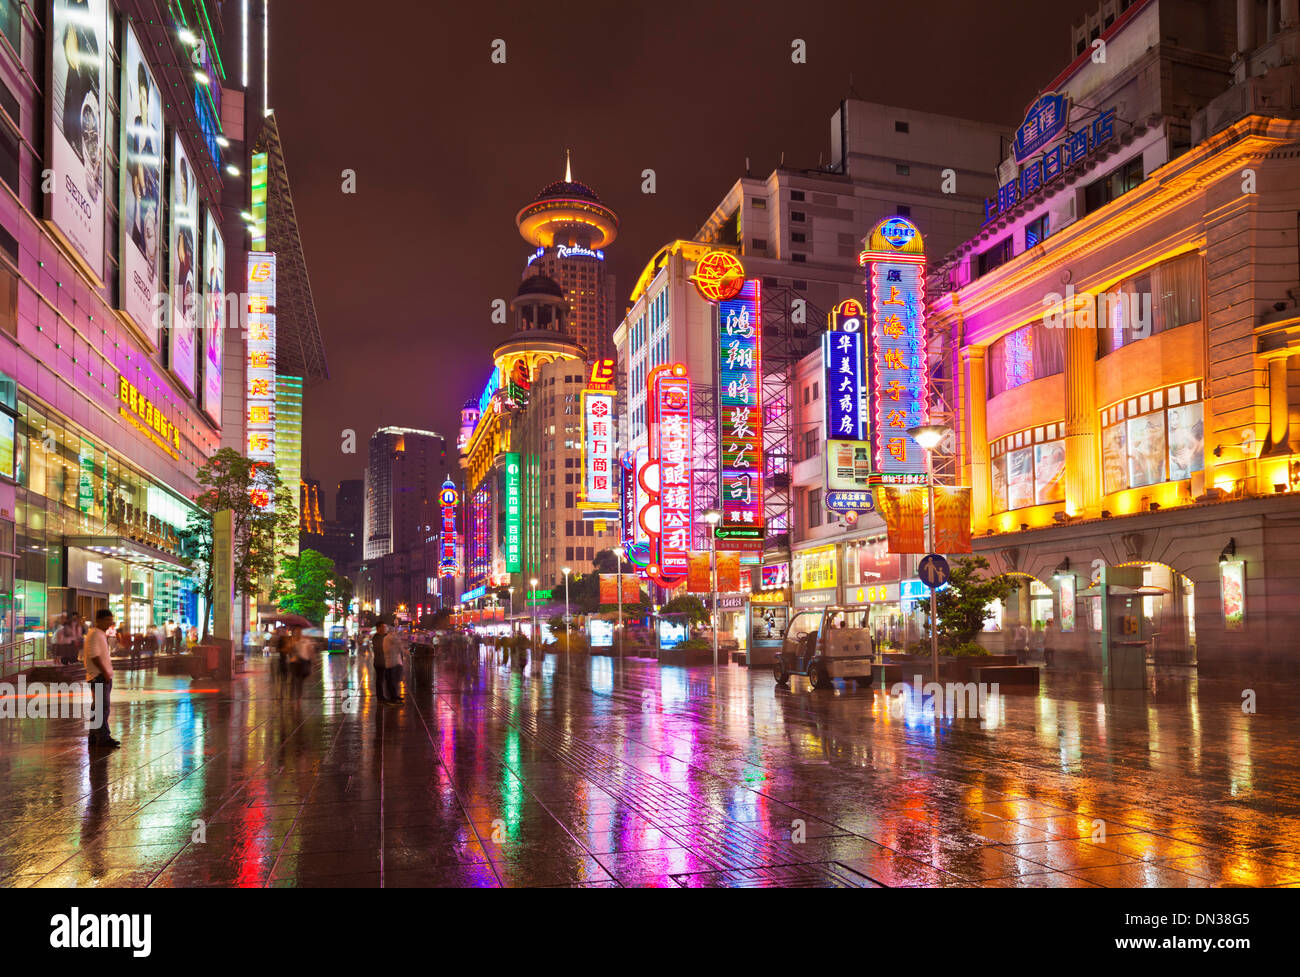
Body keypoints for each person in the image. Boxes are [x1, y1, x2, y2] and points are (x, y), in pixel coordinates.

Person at [84, 609, 119, 749]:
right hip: (98, 676)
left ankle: (94, 736)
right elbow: (94, 656)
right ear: (99, 620)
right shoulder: (94, 634)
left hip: (101, 676)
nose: (110, 623)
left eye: (111, 620)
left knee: (97, 707)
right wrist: (104, 673)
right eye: (107, 620)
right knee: (102, 708)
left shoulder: (99, 634)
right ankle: (103, 738)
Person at [383, 626, 406, 704]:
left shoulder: (387, 638)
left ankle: (394, 696)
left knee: (393, 682)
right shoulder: (389, 638)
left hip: (393, 663)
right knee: (392, 682)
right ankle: (393, 698)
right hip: (392, 663)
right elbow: (397, 648)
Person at [289, 626, 312, 699]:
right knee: (294, 680)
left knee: (300, 682)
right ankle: (292, 696)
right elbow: (290, 651)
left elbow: (309, 651)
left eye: (299, 631)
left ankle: (298, 699)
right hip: (294, 662)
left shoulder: (304, 640)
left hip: (302, 662)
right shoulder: (292, 640)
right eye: (296, 631)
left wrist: (311, 661)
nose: (298, 633)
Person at [371, 622, 390, 702]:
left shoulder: (386, 636)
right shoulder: (376, 637)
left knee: (388, 679)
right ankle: (380, 697)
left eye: (385, 627)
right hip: (379, 662)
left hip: (387, 661)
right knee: (380, 680)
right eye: (383, 627)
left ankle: (389, 696)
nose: (384, 628)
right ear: (378, 628)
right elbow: (379, 648)